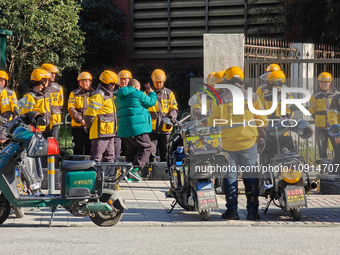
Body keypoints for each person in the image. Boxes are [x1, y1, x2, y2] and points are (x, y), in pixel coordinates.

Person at [207, 66, 267, 220]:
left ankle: (232, 211)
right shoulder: (252, 96)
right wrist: (261, 137)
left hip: (227, 146)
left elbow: (212, 123)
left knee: (230, 178)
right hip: (248, 143)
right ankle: (253, 212)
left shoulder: (220, 99)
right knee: (250, 177)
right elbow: (262, 120)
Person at [115, 78, 157, 182]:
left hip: (124, 128)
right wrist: (152, 93)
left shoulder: (119, 97)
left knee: (131, 150)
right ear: (136, 87)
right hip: (137, 127)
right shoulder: (137, 94)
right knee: (147, 147)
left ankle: (126, 173)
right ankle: (135, 169)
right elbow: (151, 102)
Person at [85, 70, 118, 162]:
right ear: (108, 84)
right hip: (101, 133)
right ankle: (94, 175)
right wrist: (88, 126)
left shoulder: (110, 94)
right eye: (113, 84)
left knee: (110, 158)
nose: (114, 86)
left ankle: (109, 176)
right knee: (96, 157)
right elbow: (90, 114)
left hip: (110, 132)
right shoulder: (99, 94)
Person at [146, 69, 178, 162]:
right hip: (151, 129)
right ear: (153, 81)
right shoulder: (147, 93)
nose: (159, 84)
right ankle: (151, 173)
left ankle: (166, 173)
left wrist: (171, 118)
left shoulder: (169, 93)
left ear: (164, 81)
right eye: (157, 82)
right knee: (151, 154)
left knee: (166, 154)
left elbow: (174, 108)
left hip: (165, 129)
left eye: (161, 82)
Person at [309, 72, 339, 159]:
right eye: (321, 82)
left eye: (326, 82)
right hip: (321, 128)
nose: (323, 84)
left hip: (335, 127)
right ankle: (324, 170)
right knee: (322, 150)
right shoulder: (315, 96)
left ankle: (337, 169)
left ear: (330, 82)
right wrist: (318, 118)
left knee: (337, 149)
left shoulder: (337, 95)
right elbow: (311, 111)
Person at [68, 71, 93, 155]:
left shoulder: (95, 94)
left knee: (90, 148)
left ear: (90, 82)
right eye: (82, 81)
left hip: (91, 126)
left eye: (87, 81)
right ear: (79, 82)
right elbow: (71, 108)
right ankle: (77, 166)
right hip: (77, 126)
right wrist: (81, 120)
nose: (85, 83)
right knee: (78, 149)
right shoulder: (74, 93)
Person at [20, 69, 52, 137]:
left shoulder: (45, 95)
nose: (48, 82)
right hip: (35, 132)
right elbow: (25, 116)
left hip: (46, 129)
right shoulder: (30, 96)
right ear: (42, 81)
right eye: (47, 80)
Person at [41, 63, 64, 140]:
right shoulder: (39, 88)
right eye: (51, 73)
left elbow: (60, 104)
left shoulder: (58, 88)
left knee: (52, 143)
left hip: (55, 120)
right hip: (42, 121)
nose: (53, 75)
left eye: (54, 73)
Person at [114, 70, 133, 157]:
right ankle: (117, 168)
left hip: (128, 123)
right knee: (116, 149)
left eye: (126, 79)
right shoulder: (113, 93)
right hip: (117, 124)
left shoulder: (133, 92)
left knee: (128, 148)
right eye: (121, 79)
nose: (123, 81)